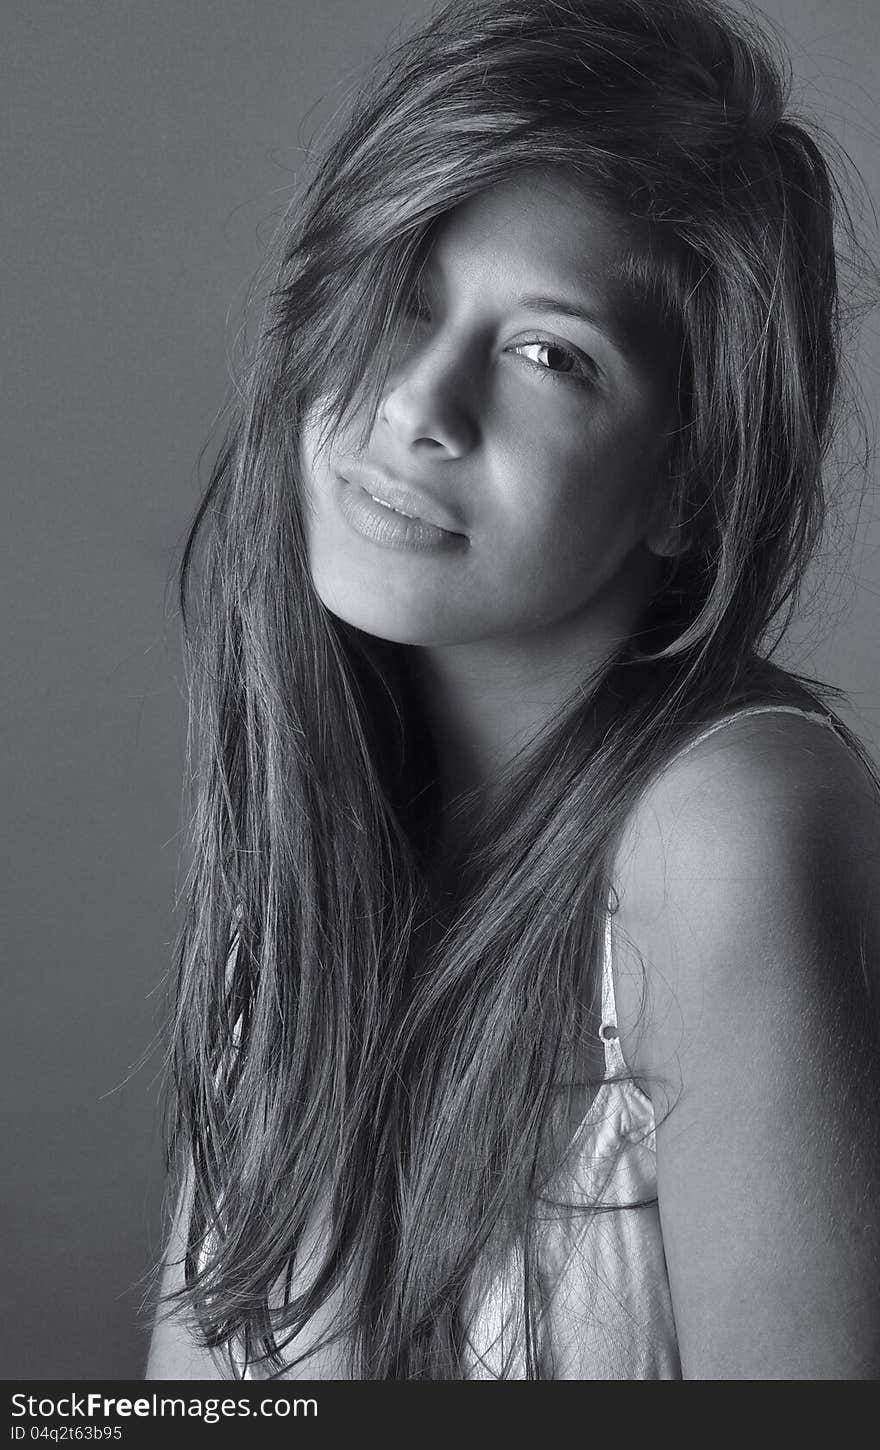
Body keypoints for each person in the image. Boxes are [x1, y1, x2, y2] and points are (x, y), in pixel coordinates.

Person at [146, 0, 880, 1380]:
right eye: (402, 295)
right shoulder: (316, 828)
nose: (418, 400)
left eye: (549, 353)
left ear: (686, 483)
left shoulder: (728, 822)